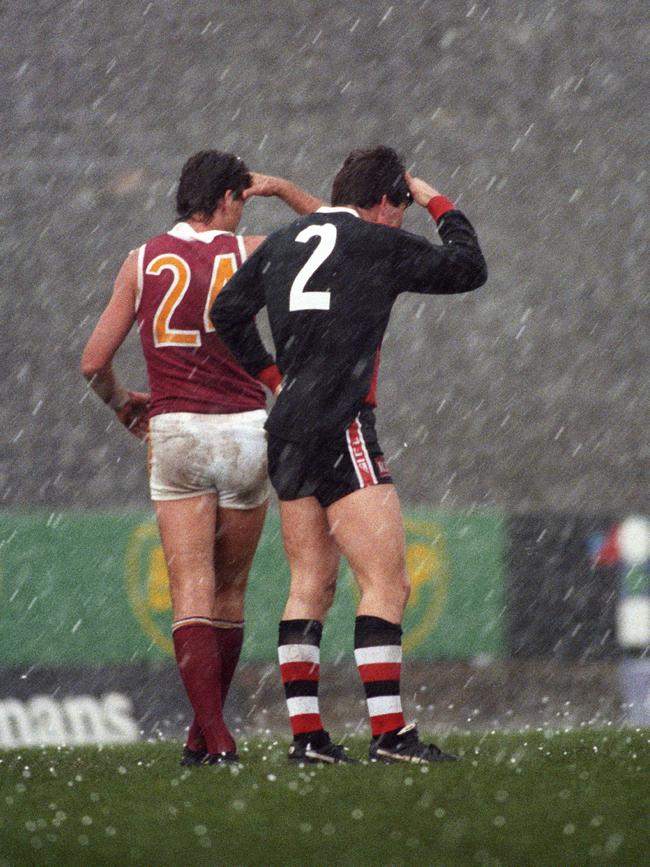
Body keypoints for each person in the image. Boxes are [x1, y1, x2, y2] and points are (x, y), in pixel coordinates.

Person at [212, 145, 487, 764]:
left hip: (286, 428)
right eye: (401, 205)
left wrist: (272, 374)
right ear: (387, 201)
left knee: (309, 582)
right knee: (388, 582)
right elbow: (469, 268)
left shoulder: (286, 241)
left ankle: (307, 739)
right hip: (342, 423)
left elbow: (226, 311)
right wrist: (435, 198)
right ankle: (390, 734)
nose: (402, 216)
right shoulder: (380, 243)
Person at [81, 149, 319, 765]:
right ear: (229, 199)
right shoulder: (249, 252)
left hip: (177, 429)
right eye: (240, 199)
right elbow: (334, 230)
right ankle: (208, 730)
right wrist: (284, 188)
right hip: (245, 431)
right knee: (230, 590)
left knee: (189, 585)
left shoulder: (142, 260)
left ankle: (211, 734)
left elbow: (92, 363)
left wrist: (123, 405)